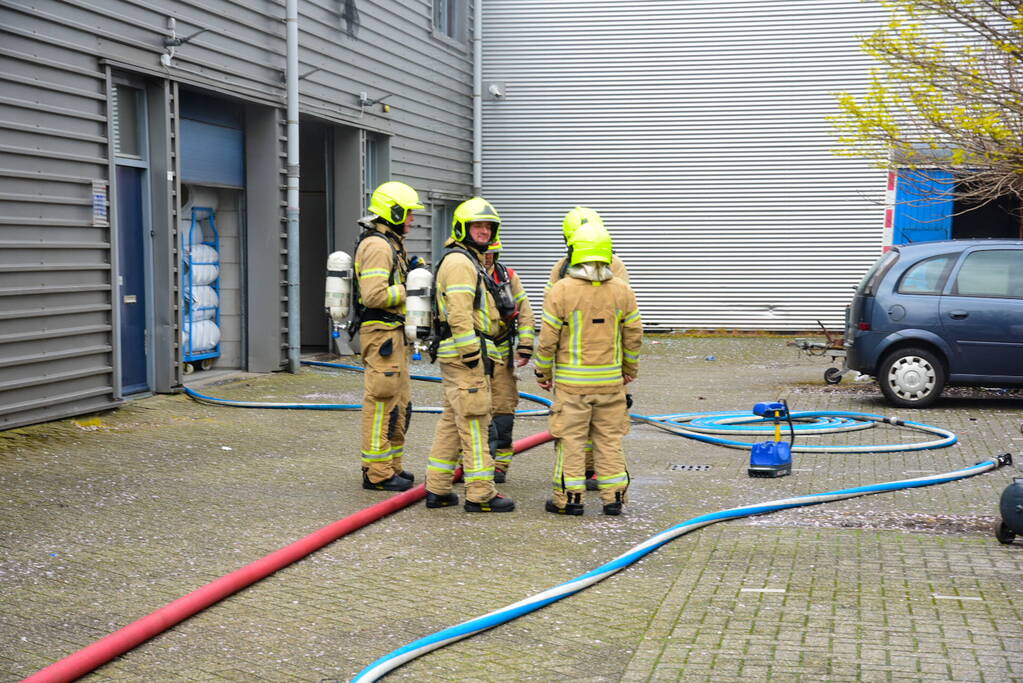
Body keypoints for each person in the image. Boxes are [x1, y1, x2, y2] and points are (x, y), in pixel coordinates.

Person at [534, 217, 642, 516]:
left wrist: (543, 373)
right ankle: (614, 498)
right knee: (609, 440)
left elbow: (547, 339)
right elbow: (634, 335)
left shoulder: (561, 289)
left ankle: (569, 501)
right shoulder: (622, 289)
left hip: (572, 385)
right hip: (610, 385)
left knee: (571, 441)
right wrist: (629, 369)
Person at [424, 197, 515, 512]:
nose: (484, 231)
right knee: (476, 423)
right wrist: (473, 356)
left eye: (489, 226)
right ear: (463, 227)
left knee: (451, 421)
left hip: (458, 355)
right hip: (467, 356)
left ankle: (436, 489)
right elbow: (460, 315)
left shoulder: (464, 259)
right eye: (478, 225)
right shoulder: (462, 263)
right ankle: (480, 494)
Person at [352, 181, 424, 492]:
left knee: (399, 402)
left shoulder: (390, 243)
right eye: (408, 213)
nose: (412, 220)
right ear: (393, 212)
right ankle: (377, 474)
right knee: (381, 401)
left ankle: (391, 465)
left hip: (393, 335)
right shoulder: (378, 245)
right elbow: (374, 295)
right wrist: (416, 290)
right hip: (381, 333)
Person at [483, 239, 535, 483]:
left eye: (492, 252)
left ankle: (500, 464)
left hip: (502, 352)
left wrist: (524, 347)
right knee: (473, 408)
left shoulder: (508, 276)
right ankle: (472, 461)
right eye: (484, 252)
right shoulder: (464, 272)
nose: (487, 257)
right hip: (476, 351)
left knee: (503, 408)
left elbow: (525, 311)